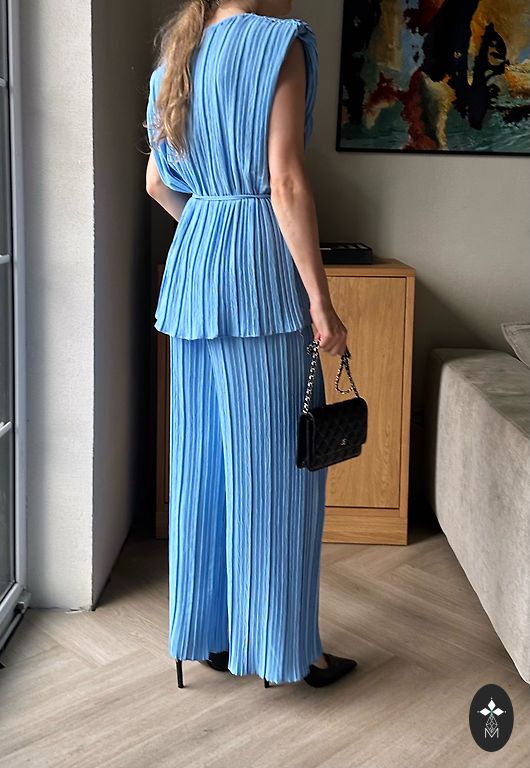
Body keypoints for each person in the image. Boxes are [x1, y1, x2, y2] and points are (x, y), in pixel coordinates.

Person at [145, 0, 358, 688]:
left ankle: (205, 635)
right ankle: (284, 649)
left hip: (194, 273)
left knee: (202, 466)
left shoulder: (177, 55)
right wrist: (321, 300)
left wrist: (211, 225)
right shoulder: (279, 43)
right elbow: (285, 181)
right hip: (260, 280)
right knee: (275, 475)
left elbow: (157, 183)